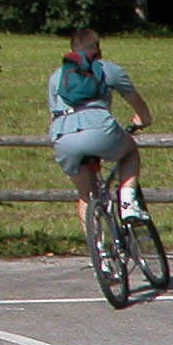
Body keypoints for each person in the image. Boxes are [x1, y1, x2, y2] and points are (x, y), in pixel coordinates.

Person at [45, 27, 151, 223]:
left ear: (72, 50)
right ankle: (127, 204)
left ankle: (95, 242)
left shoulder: (56, 77)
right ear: (98, 49)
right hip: (100, 129)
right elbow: (138, 105)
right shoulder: (108, 69)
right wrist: (143, 120)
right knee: (130, 152)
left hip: (63, 136)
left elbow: (53, 115)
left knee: (86, 195)